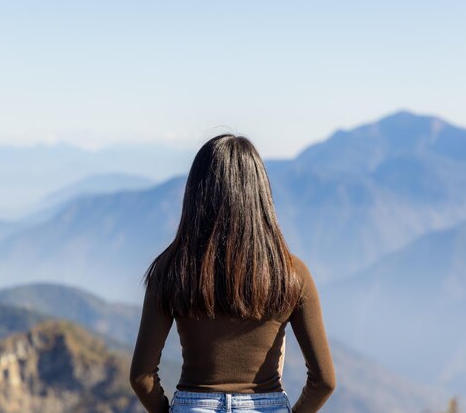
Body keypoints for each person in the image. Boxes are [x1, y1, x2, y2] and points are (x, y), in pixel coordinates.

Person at [129, 134, 336, 413]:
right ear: (260, 193)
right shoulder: (291, 273)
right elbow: (324, 381)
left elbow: (141, 376)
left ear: (197, 193)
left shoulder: (172, 268)